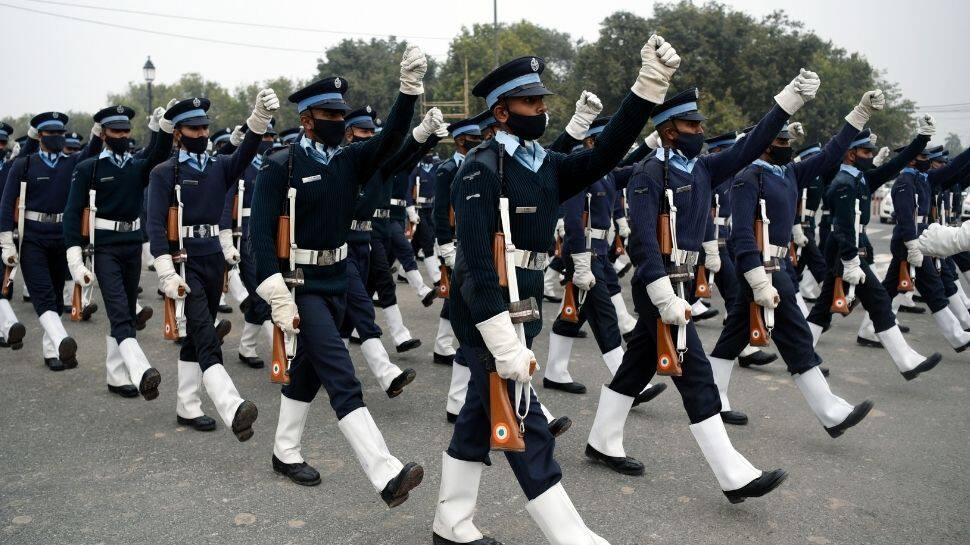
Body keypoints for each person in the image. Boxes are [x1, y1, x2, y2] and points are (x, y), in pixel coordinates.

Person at [434, 36, 679, 545]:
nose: (541, 110)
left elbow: (604, 154)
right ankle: (571, 535)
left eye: (543, 101)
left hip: (521, 313)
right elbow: (477, 266)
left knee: (477, 424)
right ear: (501, 112)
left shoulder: (540, 163)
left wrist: (647, 87)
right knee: (527, 425)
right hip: (489, 318)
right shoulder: (481, 169)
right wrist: (501, 340)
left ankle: (449, 525)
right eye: (530, 102)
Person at [585, 69, 818, 498]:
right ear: (670, 132)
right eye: (693, 125)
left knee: (637, 364)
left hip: (683, 285)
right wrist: (660, 294)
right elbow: (642, 239)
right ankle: (733, 475)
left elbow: (750, 146)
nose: (701, 131)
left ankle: (601, 441)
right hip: (661, 288)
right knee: (696, 376)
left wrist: (786, 101)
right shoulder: (647, 173)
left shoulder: (703, 169)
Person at [250, 47, 431, 503]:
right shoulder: (281, 164)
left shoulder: (349, 160)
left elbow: (390, 139)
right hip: (301, 287)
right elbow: (257, 238)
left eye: (340, 113)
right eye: (328, 113)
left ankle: (284, 451)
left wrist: (408, 92)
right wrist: (276, 293)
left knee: (308, 374)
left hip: (338, 279)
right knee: (342, 376)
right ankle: (385, 473)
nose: (337, 119)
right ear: (307, 120)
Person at [708, 93, 899, 434]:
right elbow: (740, 235)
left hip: (776, 267)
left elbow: (830, 154)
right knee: (796, 337)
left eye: (786, 140)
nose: (786, 145)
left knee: (735, 334)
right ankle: (829, 412)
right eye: (779, 140)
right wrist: (758, 278)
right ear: (763, 144)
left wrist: (859, 113)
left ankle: (713, 399)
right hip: (764, 269)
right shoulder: (748, 177)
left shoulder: (787, 173)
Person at [147, 89, 278, 440]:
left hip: (210, 256)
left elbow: (247, 151)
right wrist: (165, 271)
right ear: (178, 133)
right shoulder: (164, 173)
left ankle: (187, 406)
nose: (203, 134)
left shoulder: (220, 167)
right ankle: (231, 405)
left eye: (205, 128)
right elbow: (156, 225)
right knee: (205, 333)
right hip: (183, 260)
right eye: (194, 130)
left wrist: (258, 119)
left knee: (196, 334)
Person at [63, 104, 173, 398]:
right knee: (121, 312)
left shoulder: (136, 165)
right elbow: (73, 213)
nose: (123, 135)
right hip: (106, 248)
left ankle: (115, 375)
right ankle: (140, 372)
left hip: (131, 245)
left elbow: (158, 155)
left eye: (126, 130)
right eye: (116, 131)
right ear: (103, 133)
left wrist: (162, 128)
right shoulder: (90, 167)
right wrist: (74, 255)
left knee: (123, 308)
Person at [1, 111, 102, 370]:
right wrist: (7, 243)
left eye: (60, 133)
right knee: (43, 293)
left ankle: (51, 351)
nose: (57, 137)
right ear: (40, 136)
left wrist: (98, 131)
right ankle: (61, 340)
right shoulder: (24, 164)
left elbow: (91, 152)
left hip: (61, 236)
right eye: (51, 134)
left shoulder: (71, 163)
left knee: (57, 296)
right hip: (33, 237)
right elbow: (6, 204)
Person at [337, 105, 418, 398]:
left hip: (365, 241)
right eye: (363, 131)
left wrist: (424, 135)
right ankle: (386, 373)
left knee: (346, 317)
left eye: (372, 131)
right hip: (339, 244)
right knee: (361, 306)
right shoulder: (340, 160)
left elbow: (407, 154)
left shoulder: (378, 164)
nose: (370, 136)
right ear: (349, 134)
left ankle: (332, 368)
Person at [874, 142, 970, 355]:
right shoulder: (904, 182)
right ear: (911, 160)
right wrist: (912, 246)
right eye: (923, 157)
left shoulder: (922, 178)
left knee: (889, 288)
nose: (927, 161)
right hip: (909, 241)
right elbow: (906, 217)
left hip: (919, 238)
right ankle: (957, 336)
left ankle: (869, 328)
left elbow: (952, 170)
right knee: (934, 290)